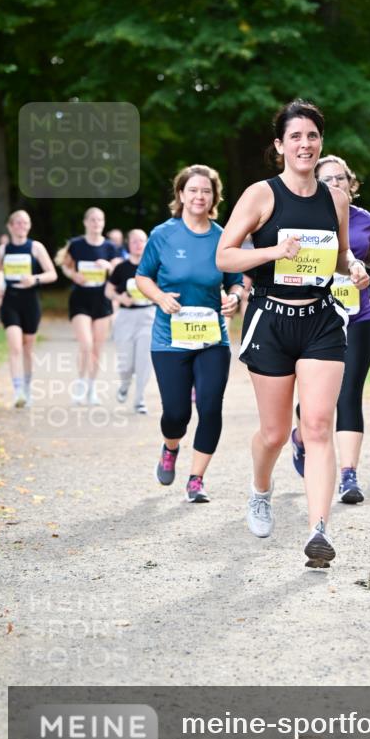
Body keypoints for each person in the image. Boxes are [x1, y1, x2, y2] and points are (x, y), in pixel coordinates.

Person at [216, 99, 369, 568]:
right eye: (296, 137)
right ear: (280, 145)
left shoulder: (335, 198)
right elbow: (225, 256)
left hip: (321, 319)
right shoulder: (261, 195)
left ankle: (317, 530)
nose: (305, 144)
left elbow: (340, 256)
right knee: (275, 432)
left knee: (318, 425)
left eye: (313, 136)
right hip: (271, 319)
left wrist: (356, 268)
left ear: (321, 143)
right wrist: (272, 253)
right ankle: (261, 489)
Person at [136, 165, 243, 504]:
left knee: (211, 407)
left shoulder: (223, 237)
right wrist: (160, 297)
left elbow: (235, 281)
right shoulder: (163, 235)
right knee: (177, 414)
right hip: (170, 340)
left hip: (213, 339)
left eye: (206, 191)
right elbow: (143, 277)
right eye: (193, 190)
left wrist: (236, 298)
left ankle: (196, 479)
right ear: (181, 194)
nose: (199, 196)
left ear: (214, 197)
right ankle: (170, 448)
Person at [290, 155, 370, 504]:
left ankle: (349, 475)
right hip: (315, 316)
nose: (334, 185)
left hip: (358, 315)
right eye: (326, 179)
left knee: (349, 393)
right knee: (317, 399)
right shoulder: (304, 217)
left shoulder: (365, 219)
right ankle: (301, 436)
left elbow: (363, 246)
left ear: (352, 183)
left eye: (340, 179)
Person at [0, 211, 57, 407]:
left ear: (29, 226)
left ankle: (28, 389)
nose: (22, 226)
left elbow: (52, 274)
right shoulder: (4, 250)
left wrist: (34, 279)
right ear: (10, 226)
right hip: (10, 301)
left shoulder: (36, 247)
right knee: (14, 346)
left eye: (25, 223)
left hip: (30, 301)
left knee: (28, 347)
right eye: (18, 223)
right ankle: (18, 391)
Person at [56, 207, 121, 405]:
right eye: (92, 220)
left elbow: (119, 271)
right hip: (80, 299)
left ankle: (91, 389)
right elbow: (65, 265)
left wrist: (108, 267)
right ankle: (80, 385)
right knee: (86, 344)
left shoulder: (110, 247)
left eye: (99, 220)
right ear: (86, 222)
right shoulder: (76, 245)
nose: (96, 223)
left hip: (102, 300)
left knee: (97, 348)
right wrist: (73, 275)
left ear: (103, 222)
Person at [105, 229, 155, 414]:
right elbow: (108, 291)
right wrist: (120, 298)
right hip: (125, 317)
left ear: (147, 243)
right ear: (128, 243)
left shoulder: (154, 266)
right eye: (134, 241)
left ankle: (139, 399)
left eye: (141, 241)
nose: (138, 244)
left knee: (144, 361)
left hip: (148, 316)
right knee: (126, 364)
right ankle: (125, 384)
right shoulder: (121, 267)